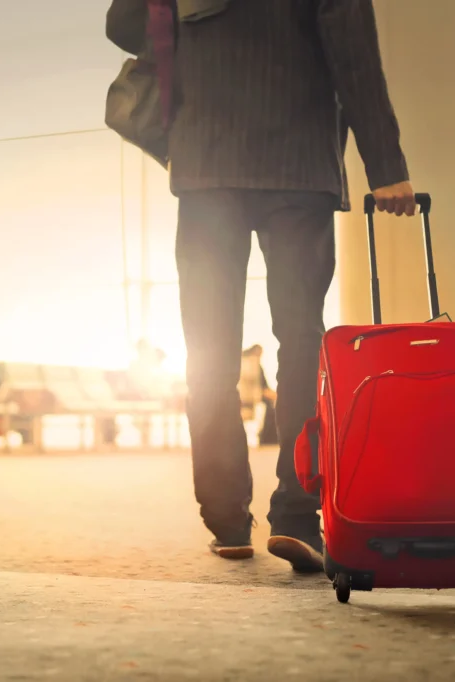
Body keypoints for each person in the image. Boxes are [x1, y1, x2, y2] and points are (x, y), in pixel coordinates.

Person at [106, 0, 415, 569]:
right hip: (298, 162)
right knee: (301, 342)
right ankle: (296, 514)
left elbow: (124, 24)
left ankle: (226, 518)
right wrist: (386, 166)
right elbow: (354, 54)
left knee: (209, 348)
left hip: (206, 160)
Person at [239, 345, 278, 447]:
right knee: (273, 406)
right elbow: (262, 388)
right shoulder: (253, 365)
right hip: (255, 396)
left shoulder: (243, 363)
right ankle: (268, 438)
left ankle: (267, 438)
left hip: (249, 397)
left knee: (273, 403)